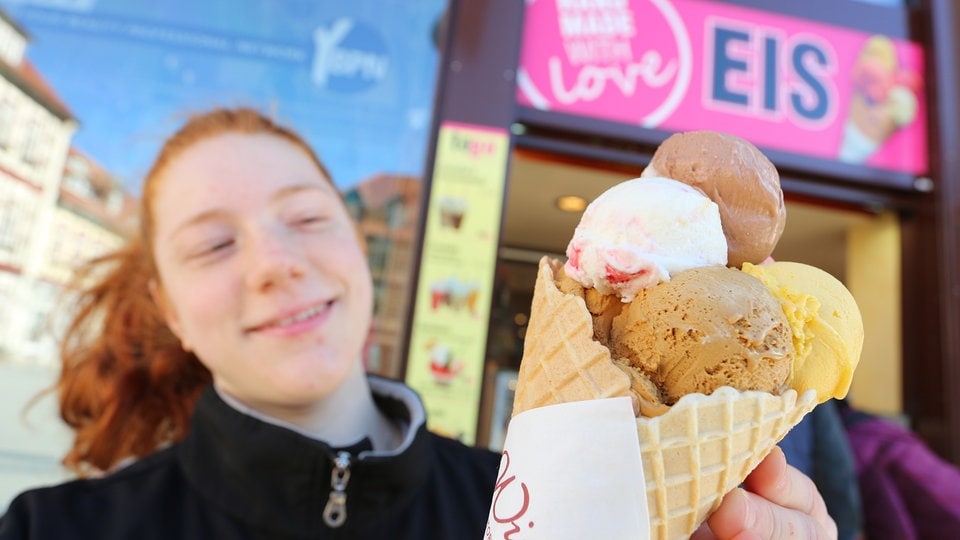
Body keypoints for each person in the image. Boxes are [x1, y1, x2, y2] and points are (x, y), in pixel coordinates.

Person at [0, 107, 837, 539]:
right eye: (214, 244)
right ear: (171, 314)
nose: (272, 263)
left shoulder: (524, 508)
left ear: (360, 249)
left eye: (305, 218)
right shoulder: (50, 532)